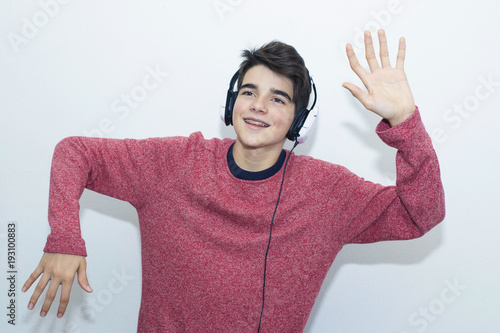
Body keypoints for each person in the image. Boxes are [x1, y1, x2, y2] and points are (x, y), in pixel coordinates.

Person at [23, 29, 445, 332]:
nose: (258, 106)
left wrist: (405, 122)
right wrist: (64, 236)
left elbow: (420, 214)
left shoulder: (327, 194)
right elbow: (73, 152)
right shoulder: (174, 163)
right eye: (249, 92)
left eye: (278, 99)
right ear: (232, 101)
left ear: (299, 121)